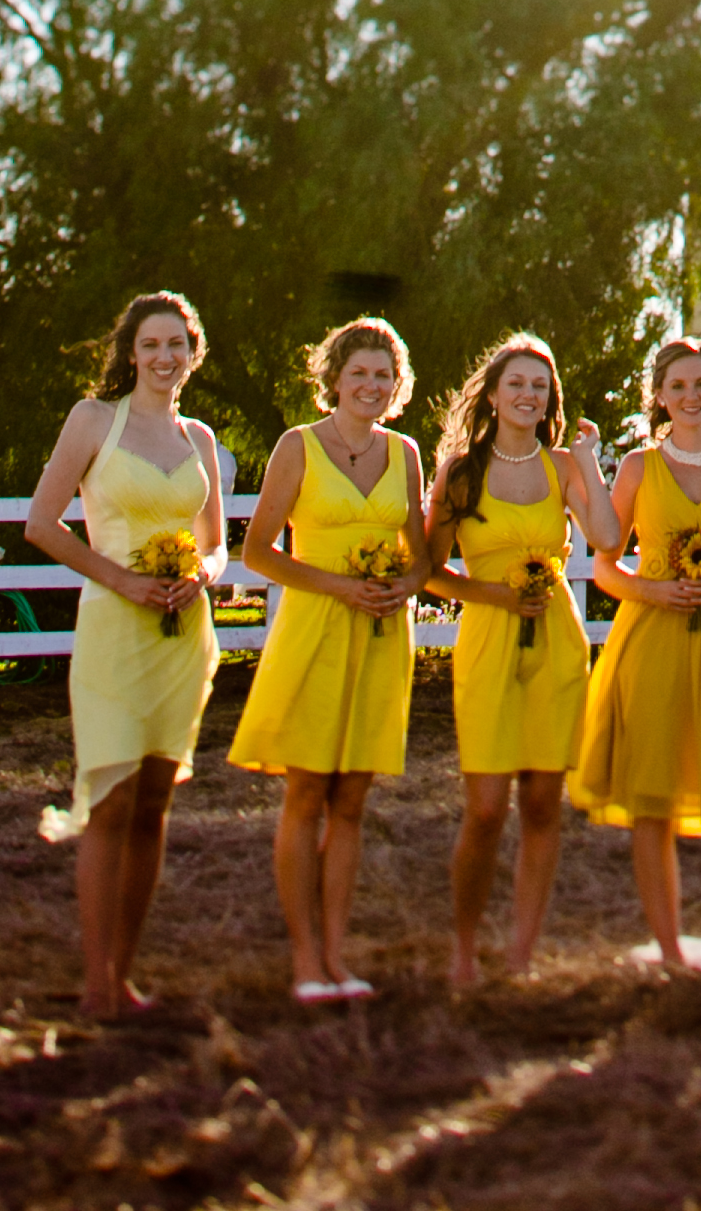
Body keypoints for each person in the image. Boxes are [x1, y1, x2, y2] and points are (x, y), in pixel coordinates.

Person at [25, 288, 226, 1017]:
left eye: (178, 344)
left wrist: (200, 576)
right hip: (113, 629)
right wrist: (124, 581)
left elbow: (218, 545)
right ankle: (95, 983)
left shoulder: (199, 440)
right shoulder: (93, 421)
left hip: (183, 639)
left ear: (193, 353)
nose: (165, 357)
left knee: (152, 810)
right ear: (130, 353)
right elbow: (41, 524)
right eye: (151, 345)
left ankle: (126, 975)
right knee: (110, 803)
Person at [570, 334, 701, 978]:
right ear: (659, 398)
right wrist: (655, 590)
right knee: (652, 798)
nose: (690, 397)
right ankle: (666, 950)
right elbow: (605, 566)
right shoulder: (638, 467)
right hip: (651, 639)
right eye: (677, 387)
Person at [228, 316, 428, 1005]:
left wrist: (401, 586)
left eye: (382, 375)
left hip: (378, 640)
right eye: (359, 373)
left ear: (395, 385)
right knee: (307, 791)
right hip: (314, 630)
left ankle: (339, 957)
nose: (370, 385)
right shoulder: (298, 447)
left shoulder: (405, 454)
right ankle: (304, 959)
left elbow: (422, 553)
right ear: (333, 380)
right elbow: (257, 553)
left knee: (352, 800)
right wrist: (341, 585)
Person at [423, 333, 617, 987]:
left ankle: (521, 954)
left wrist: (589, 463)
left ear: (550, 399)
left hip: (558, 642)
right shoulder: (460, 473)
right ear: (495, 395)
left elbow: (610, 539)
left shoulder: (561, 466)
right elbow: (429, 571)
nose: (529, 395)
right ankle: (464, 948)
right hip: (488, 640)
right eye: (518, 384)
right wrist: (495, 596)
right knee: (484, 808)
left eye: (541, 386)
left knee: (541, 805)